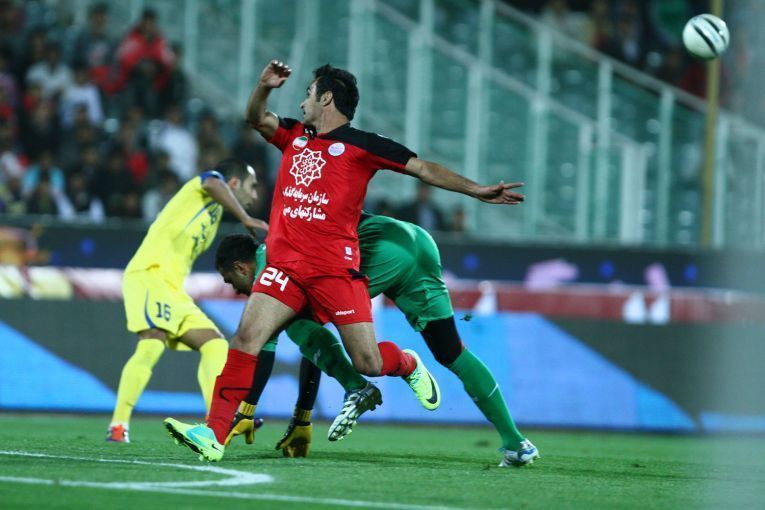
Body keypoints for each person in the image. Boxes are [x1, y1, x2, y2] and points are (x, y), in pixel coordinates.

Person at [164, 60, 524, 462]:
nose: (301, 103)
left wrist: (476, 190)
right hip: (286, 268)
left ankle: (406, 363)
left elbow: (422, 168)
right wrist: (264, 86)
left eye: (307, 94)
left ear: (326, 99)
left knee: (368, 362)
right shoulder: (294, 136)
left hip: (335, 271)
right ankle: (213, 434)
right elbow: (256, 118)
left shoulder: (363, 145)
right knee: (247, 337)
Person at [218, 213, 539, 467]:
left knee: (301, 325)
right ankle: (516, 443)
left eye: (231, 281)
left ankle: (364, 384)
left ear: (241, 267)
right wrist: (301, 417)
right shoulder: (292, 232)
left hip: (375, 251)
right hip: (416, 241)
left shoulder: (272, 266)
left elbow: (265, 350)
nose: (235, 290)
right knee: (451, 352)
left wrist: (246, 410)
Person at [106, 157, 267, 442]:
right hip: (150, 274)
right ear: (234, 183)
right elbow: (211, 181)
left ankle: (216, 421)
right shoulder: (206, 185)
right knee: (152, 342)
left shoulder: (214, 213)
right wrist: (244, 217)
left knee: (215, 344)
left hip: (173, 288)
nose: (255, 195)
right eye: (251, 186)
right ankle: (118, 425)